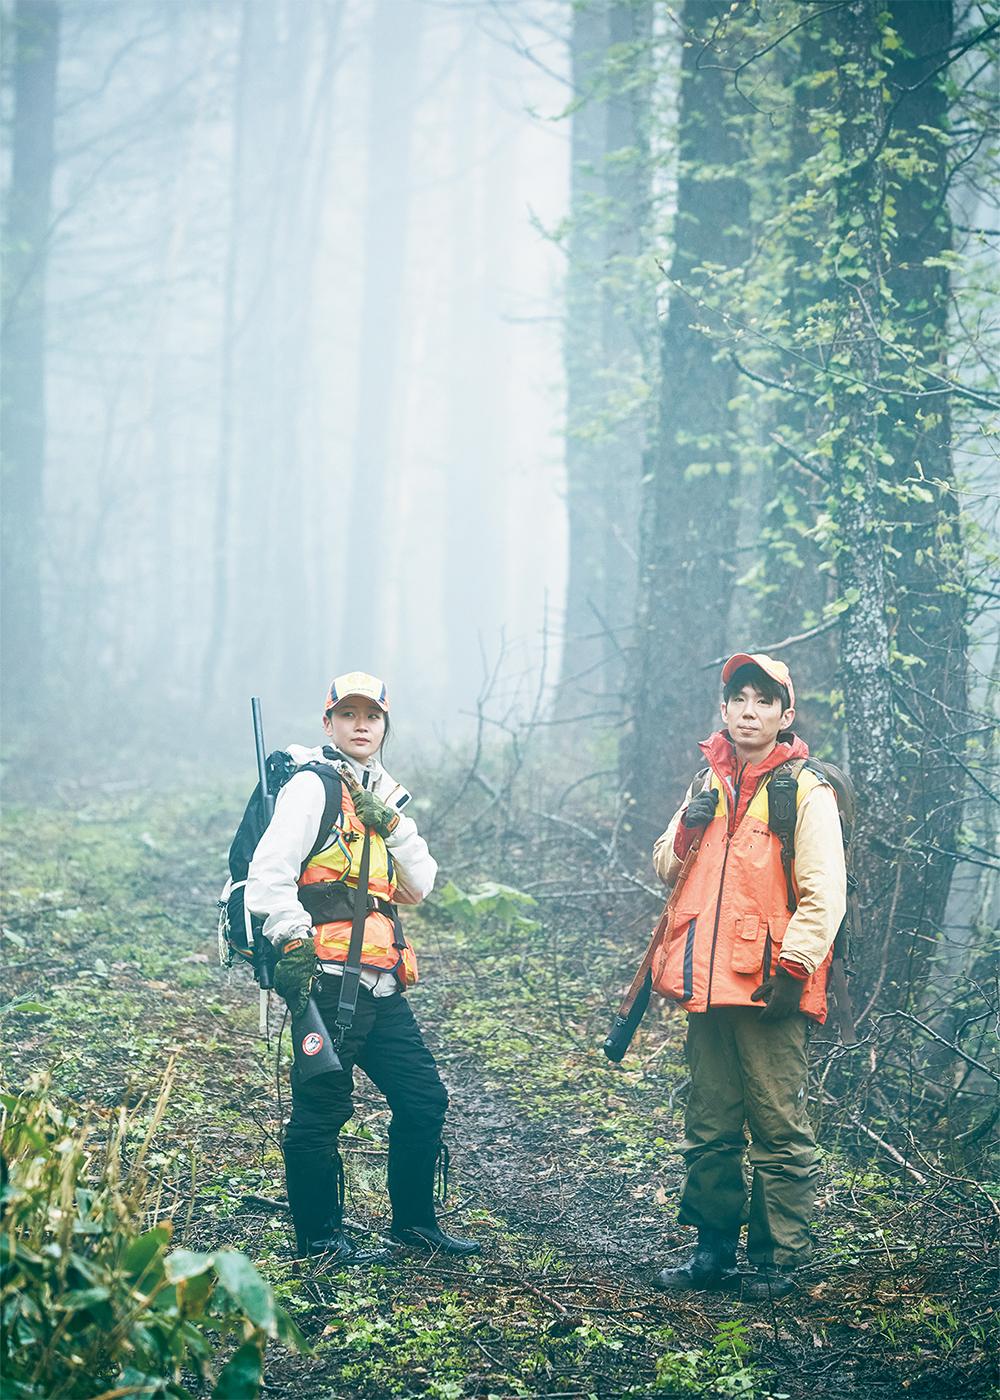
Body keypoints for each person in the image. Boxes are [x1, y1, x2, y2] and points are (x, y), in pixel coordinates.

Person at [245, 671, 481, 1264]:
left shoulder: (384, 795)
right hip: (325, 978)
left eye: (371, 716)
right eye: (347, 715)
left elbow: (420, 885)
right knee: (322, 1109)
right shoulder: (312, 787)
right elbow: (268, 875)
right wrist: (291, 941)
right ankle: (320, 1241)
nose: (360, 725)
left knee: (423, 1099)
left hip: (379, 981)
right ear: (328, 724)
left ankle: (415, 1227)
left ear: (384, 726)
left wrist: (392, 826)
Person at [649, 653, 846, 1299]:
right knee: (710, 1129)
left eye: (765, 701)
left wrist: (795, 969)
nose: (750, 712)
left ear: (785, 715)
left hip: (768, 991)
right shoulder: (706, 780)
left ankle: (775, 1261)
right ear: (724, 708)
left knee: (778, 1131)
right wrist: (688, 829)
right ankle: (711, 1254)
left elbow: (825, 894)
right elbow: (665, 866)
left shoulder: (804, 790)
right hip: (706, 986)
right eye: (740, 699)